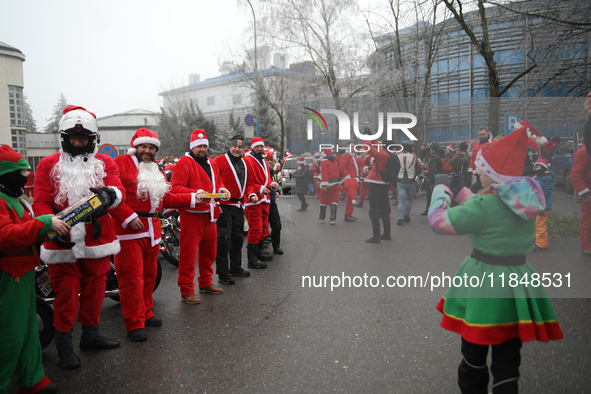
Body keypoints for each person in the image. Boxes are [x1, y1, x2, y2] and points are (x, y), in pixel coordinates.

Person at [428, 126, 563, 393]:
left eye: (481, 170)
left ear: (492, 175)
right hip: (516, 281)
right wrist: (464, 192)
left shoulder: (483, 206)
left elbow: (439, 222)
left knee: (473, 355)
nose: (477, 173)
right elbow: (490, 208)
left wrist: (441, 190)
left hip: (484, 282)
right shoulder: (523, 199)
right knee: (508, 359)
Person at [33, 105, 124, 370]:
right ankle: (64, 348)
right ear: (64, 137)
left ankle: (91, 337)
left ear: (91, 139)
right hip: (60, 241)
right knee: (65, 298)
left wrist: (110, 196)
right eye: (73, 138)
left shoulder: (105, 162)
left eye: (83, 138)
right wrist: (50, 226)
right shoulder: (48, 165)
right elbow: (39, 201)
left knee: (96, 292)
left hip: (97, 239)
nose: (78, 142)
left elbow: (118, 190)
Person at [110, 128, 196, 341]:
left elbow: (165, 199)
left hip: (152, 229)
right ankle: (133, 321)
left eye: (151, 147)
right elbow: (110, 196)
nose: (147, 150)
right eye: (143, 146)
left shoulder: (153, 168)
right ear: (136, 146)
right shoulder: (120, 164)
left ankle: (146, 312)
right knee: (131, 279)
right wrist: (128, 217)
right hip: (129, 231)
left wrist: (194, 198)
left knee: (149, 276)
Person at [0, 145, 68, 394]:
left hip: (24, 272)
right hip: (8, 275)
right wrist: (42, 223)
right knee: (9, 335)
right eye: (21, 170)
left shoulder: (13, 197)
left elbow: (28, 228)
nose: (26, 174)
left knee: (28, 331)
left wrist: (47, 231)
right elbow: (4, 235)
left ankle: (32, 379)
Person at [170, 129, 230, 304]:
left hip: (209, 216)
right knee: (188, 256)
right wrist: (196, 194)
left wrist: (222, 190)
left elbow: (218, 183)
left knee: (208, 254)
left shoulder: (212, 163)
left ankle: (205, 283)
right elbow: (176, 189)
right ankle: (187, 290)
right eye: (199, 146)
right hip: (191, 217)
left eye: (204, 146)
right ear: (192, 147)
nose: (202, 149)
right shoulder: (183, 163)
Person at [213, 134, 251, 285]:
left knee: (237, 237)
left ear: (243, 149)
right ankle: (223, 273)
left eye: (240, 147)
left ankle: (235, 267)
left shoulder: (243, 162)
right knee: (224, 240)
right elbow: (213, 180)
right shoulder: (219, 161)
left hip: (238, 206)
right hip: (224, 206)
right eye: (234, 146)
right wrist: (217, 200)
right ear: (229, 147)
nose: (237, 149)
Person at [243, 137, 278, 268]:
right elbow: (249, 182)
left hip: (264, 199)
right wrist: (257, 191)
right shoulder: (248, 160)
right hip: (254, 200)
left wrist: (272, 184)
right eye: (257, 146)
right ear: (252, 147)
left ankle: (259, 253)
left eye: (261, 146)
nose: (259, 149)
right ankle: (251, 259)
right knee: (255, 228)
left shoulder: (262, 160)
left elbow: (267, 178)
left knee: (263, 227)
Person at [362, 140, 393, 243]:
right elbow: (376, 146)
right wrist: (373, 137)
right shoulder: (387, 154)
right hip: (384, 184)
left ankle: (376, 236)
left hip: (376, 184)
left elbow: (368, 148)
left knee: (373, 211)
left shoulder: (382, 155)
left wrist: (364, 138)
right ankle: (387, 234)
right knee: (384, 210)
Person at [395, 141, 422, 226]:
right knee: (410, 199)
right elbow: (418, 170)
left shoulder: (397, 156)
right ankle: (406, 215)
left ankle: (400, 218)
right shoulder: (413, 156)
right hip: (411, 181)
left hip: (400, 180)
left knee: (401, 201)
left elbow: (394, 168)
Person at [532, 157, 554, 252]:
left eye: (539, 167)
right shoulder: (538, 177)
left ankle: (542, 244)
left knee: (540, 224)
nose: (537, 169)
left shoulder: (547, 179)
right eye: (536, 167)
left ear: (544, 167)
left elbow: (545, 193)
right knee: (537, 223)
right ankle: (539, 241)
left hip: (542, 205)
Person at [264, 152, 283, 255]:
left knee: (277, 225)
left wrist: (278, 192)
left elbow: (277, 187)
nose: (269, 161)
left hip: (272, 202)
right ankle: (261, 247)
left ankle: (276, 246)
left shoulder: (274, 173)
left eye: (271, 159)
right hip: (262, 202)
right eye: (267, 159)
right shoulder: (262, 171)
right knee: (262, 227)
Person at [318, 147, 341, 225]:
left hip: (328, 184)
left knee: (323, 201)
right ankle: (332, 219)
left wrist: (324, 185)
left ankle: (322, 217)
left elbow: (324, 174)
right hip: (336, 183)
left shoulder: (324, 162)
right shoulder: (334, 161)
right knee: (334, 201)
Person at [421, 142, 444, 216]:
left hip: (433, 179)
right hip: (438, 177)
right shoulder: (439, 156)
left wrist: (429, 177)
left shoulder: (434, 157)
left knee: (430, 196)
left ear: (432, 149)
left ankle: (430, 211)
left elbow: (433, 169)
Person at [339, 142, 359, 222]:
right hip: (349, 180)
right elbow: (342, 168)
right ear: (348, 147)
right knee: (350, 198)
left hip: (351, 179)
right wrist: (348, 178)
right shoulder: (346, 156)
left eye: (355, 147)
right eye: (352, 146)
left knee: (350, 198)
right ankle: (347, 215)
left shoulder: (351, 156)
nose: (354, 148)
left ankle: (349, 214)